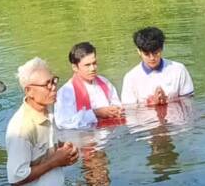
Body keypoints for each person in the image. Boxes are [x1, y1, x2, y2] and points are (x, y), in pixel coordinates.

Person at [6, 57, 79, 185]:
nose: (54, 87)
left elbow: (48, 145)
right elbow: (16, 178)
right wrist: (54, 161)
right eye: (47, 84)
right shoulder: (21, 129)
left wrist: (65, 150)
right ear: (29, 91)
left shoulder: (48, 110)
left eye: (54, 81)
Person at [54, 42, 124, 129]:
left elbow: (116, 103)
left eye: (94, 63)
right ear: (75, 67)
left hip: (110, 134)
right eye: (87, 65)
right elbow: (64, 124)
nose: (92, 69)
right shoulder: (66, 92)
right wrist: (95, 113)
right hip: (84, 138)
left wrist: (116, 110)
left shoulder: (104, 82)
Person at [121, 27, 194, 106]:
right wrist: (150, 104)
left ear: (162, 48)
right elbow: (129, 110)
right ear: (139, 51)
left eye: (156, 53)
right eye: (146, 54)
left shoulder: (178, 70)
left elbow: (189, 100)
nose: (152, 58)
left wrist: (167, 101)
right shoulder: (130, 78)